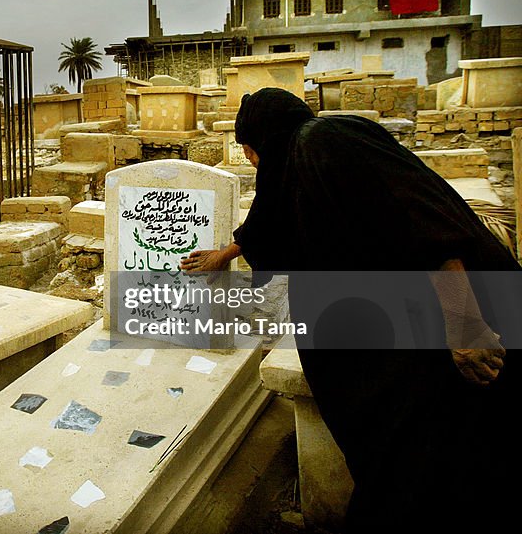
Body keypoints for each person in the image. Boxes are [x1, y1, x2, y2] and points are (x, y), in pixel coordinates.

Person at [181, 88, 519, 530]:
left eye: (248, 149)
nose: (248, 161)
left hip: (448, 323)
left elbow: (429, 227)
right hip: (391, 337)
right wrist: (224, 256)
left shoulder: (328, 140)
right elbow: (269, 221)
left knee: (442, 462)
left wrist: (465, 327)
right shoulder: (295, 161)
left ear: (260, 141)